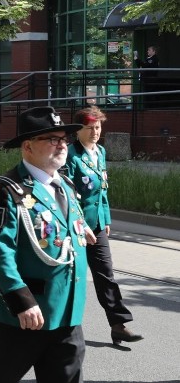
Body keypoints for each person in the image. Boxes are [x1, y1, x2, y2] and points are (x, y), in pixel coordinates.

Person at [0, 106, 89, 383]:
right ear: (27, 146)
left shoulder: (66, 186)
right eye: (52, 139)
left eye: (64, 139)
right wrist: (21, 300)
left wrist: (79, 229)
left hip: (65, 310)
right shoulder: (4, 190)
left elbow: (59, 230)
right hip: (24, 313)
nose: (61, 145)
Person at [66, 106, 143, 346]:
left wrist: (105, 218)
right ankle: (56, 322)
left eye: (97, 127)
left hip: (97, 225)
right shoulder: (69, 155)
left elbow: (102, 190)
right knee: (68, 276)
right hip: (72, 228)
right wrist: (80, 224)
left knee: (106, 275)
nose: (94, 132)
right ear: (78, 130)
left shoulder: (99, 152)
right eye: (89, 128)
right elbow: (67, 194)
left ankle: (118, 325)